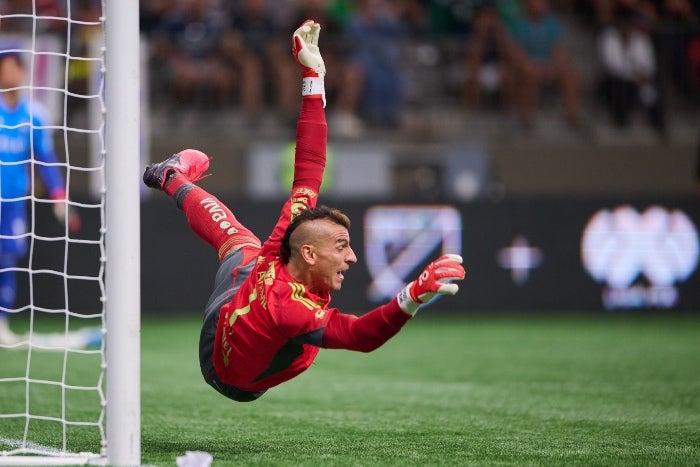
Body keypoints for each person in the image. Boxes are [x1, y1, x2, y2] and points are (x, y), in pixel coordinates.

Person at [143, 20, 466, 402]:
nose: (352, 256)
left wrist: (313, 74)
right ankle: (169, 178)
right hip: (227, 375)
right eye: (343, 246)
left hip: (239, 305)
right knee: (292, 321)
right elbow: (359, 336)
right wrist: (411, 295)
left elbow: (310, 161)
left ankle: (169, 177)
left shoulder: (287, 237)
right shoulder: (290, 309)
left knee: (241, 243)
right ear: (309, 253)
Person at [0, 48, 80, 346]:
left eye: (13, 68)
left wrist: (59, 194)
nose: (8, 74)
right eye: (3, 69)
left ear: (21, 72)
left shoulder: (33, 115)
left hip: (13, 202)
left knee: (7, 258)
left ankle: (2, 322)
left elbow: (45, 159)